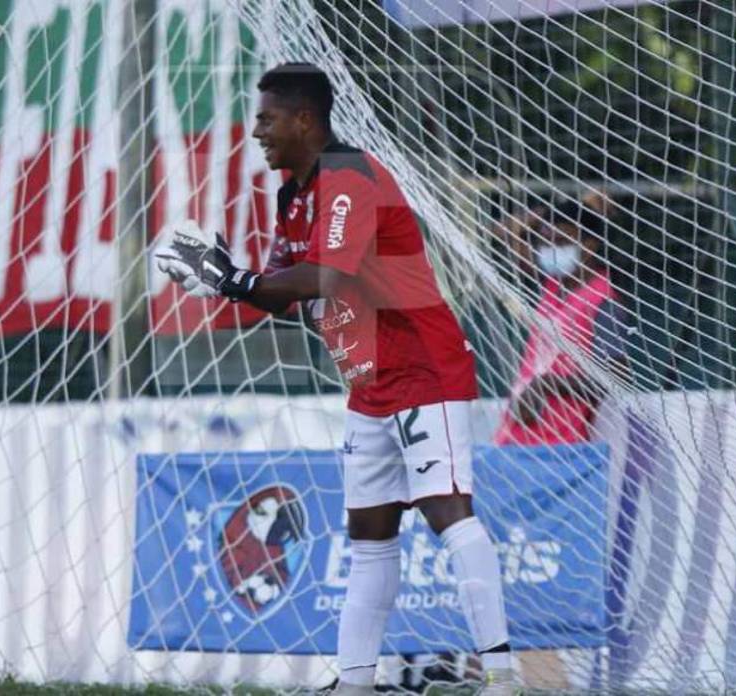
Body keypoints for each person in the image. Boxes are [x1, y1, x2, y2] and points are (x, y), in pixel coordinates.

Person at [155, 63, 517, 695]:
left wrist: (233, 281)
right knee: (369, 537)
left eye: (267, 119)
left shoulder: (350, 174)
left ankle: (504, 675)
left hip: (422, 366)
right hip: (367, 382)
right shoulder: (292, 194)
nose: (259, 131)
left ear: (304, 119)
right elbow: (276, 291)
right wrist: (221, 275)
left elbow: (323, 275)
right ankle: (353, 684)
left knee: (447, 513)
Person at [494, 194, 628, 447]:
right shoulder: (554, 286)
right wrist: (556, 208)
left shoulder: (604, 302)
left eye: (560, 242)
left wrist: (547, 385)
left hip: (558, 447)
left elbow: (616, 377)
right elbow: (504, 232)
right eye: (544, 243)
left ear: (588, 246)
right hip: (517, 438)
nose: (550, 251)